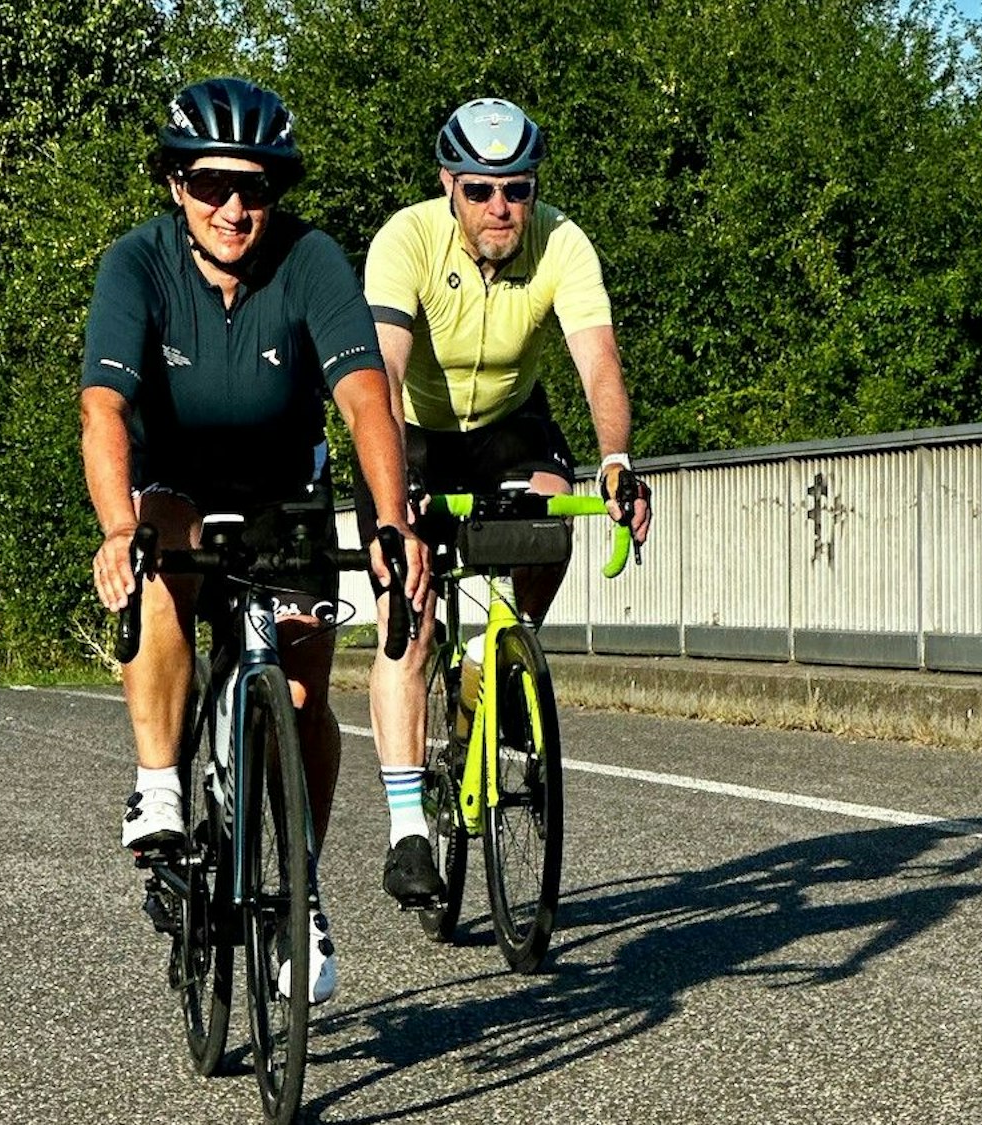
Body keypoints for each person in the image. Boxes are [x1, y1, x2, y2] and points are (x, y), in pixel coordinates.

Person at [83, 77, 429, 1004]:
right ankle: (159, 781)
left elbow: (365, 400)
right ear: (174, 185)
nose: (235, 207)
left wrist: (391, 522)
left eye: (257, 187)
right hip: (176, 485)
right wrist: (118, 527)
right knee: (158, 549)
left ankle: (299, 884)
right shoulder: (137, 264)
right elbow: (104, 407)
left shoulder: (311, 259)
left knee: (307, 686)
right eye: (210, 185)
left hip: (286, 491)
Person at [358, 97, 652, 907]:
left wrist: (617, 460)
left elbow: (598, 365)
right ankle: (408, 828)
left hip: (508, 425)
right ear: (449, 184)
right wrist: (395, 503)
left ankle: (502, 659)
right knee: (409, 613)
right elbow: (378, 373)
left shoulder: (562, 240)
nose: (500, 208)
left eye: (516, 190)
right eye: (481, 190)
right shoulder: (406, 239)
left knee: (548, 523)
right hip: (411, 426)